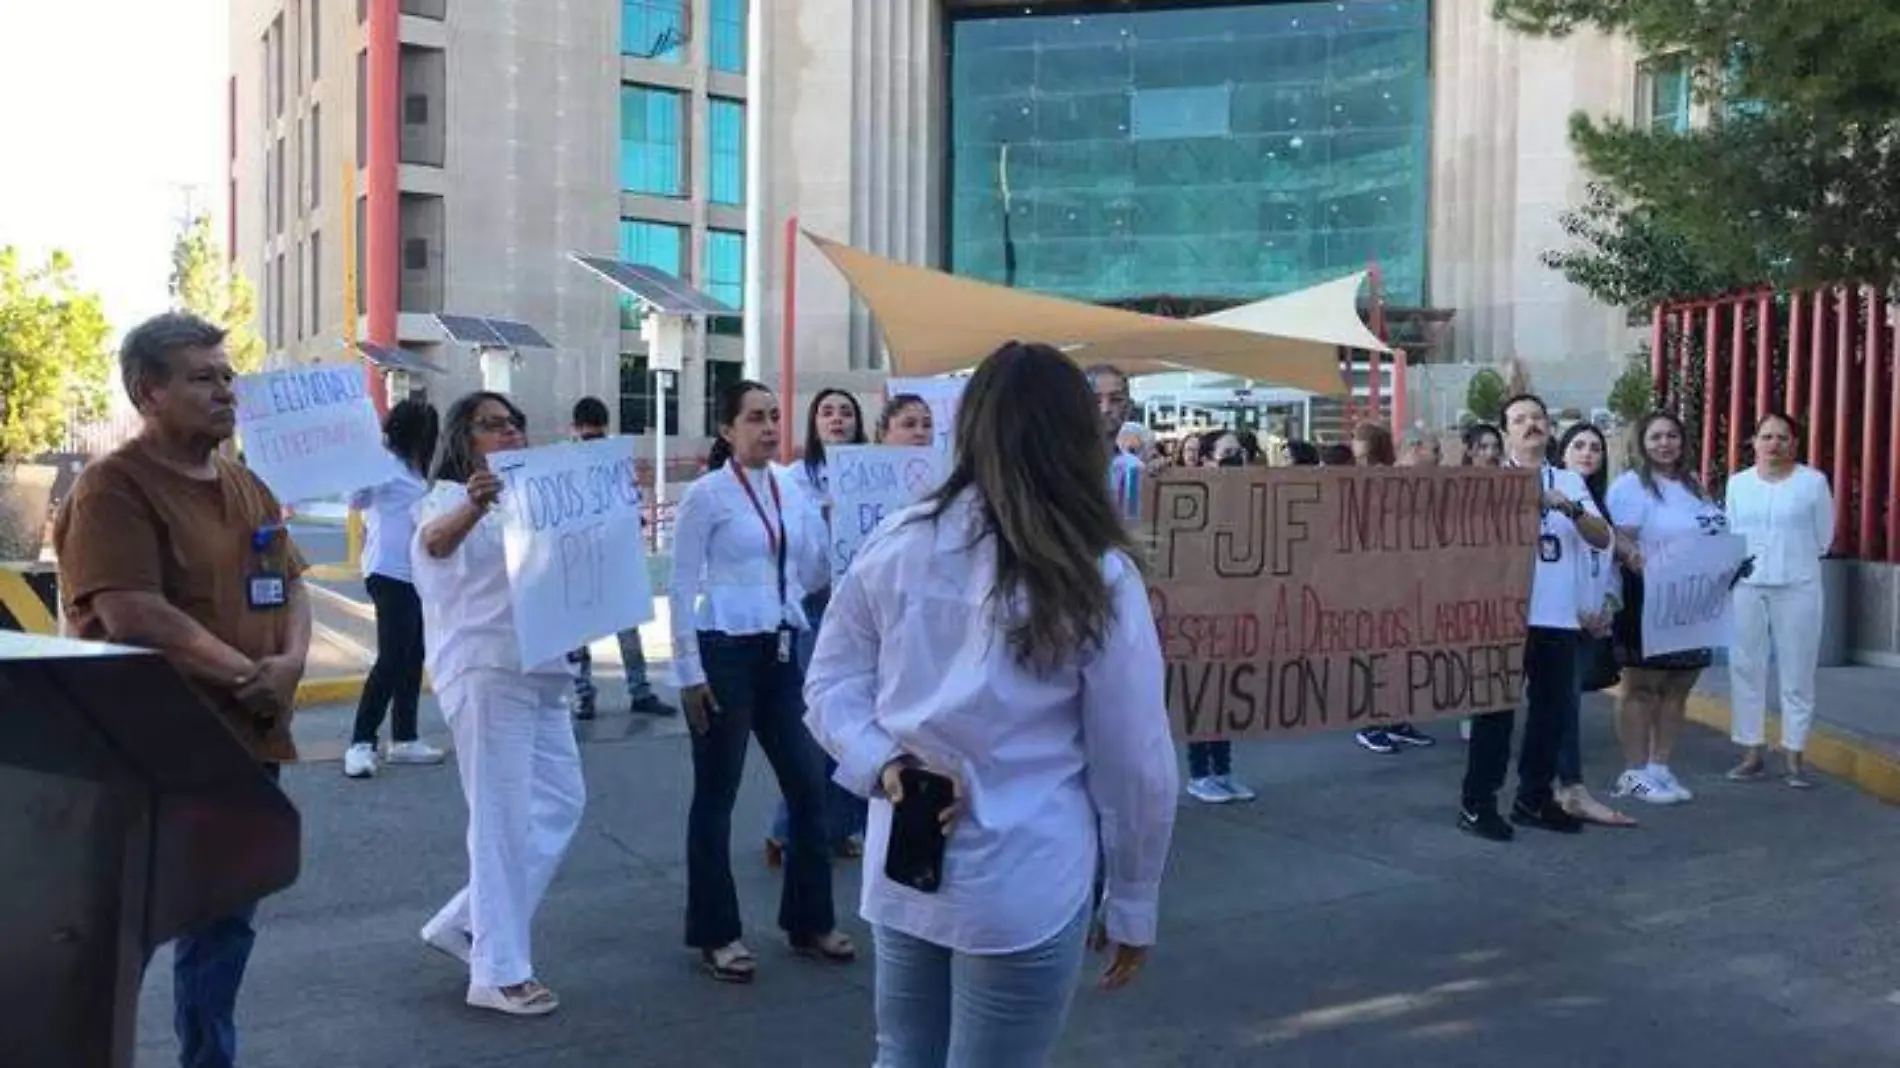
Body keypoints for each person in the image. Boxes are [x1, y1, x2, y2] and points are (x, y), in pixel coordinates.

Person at [806, 340, 1178, 1066]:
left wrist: (884, 762)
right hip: (1023, 873)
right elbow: (1134, 759)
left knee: (903, 1056)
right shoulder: (1095, 572)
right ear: (1076, 436)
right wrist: (1134, 897)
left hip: (910, 857)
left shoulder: (899, 539)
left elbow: (828, 687)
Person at [53, 311, 312, 1068]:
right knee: (120, 938)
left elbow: (290, 581)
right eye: (203, 377)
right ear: (148, 392)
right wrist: (247, 675)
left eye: (227, 375)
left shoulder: (245, 481)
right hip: (146, 760)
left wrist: (290, 666)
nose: (227, 390)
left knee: (222, 932)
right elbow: (134, 613)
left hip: (243, 750)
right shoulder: (114, 488)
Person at [671, 379, 855, 983]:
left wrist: (825, 527)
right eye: (754, 418)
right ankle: (717, 933)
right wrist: (688, 672)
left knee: (807, 788)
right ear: (727, 429)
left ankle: (809, 922)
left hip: (780, 651)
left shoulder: (792, 491)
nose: (769, 428)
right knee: (716, 797)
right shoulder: (707, 496)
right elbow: (679, 585)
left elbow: (813, 574)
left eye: (775, 416)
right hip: (723, 650)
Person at [412, 392, 585, 1016]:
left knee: (562, 803)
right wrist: (472, 503)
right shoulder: (445, 500)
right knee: (502, 816)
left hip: (541, 669)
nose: (509, 434)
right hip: (486, 670)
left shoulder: (533, 502)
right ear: (464, 439)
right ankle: (497, 971)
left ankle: (465, 923)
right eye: (493, 426)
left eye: (515, 424)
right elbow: (432, 546)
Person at [1458, 393, 1612, 842]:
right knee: (1495, 714)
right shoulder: (1487, 482)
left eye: (1538, 418)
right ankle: (1478, 802)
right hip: (1502, 615)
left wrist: (1571, 507)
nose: (1531, 426)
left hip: (1556, 615)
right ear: (1505, 431)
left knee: (1551, 713)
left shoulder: (1570, 479)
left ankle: (1533, 798)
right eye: (1520, 419)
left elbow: (1601, 537)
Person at [765, 388, 871, 868]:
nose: (837, 419)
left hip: (867, 607)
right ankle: (788, 828)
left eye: (846, 412)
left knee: (862, 721)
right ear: (814, 422)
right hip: (814, 606)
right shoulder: (792, 479)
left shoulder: (874, 471)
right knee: (818, 723)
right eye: (827, 412)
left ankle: (839, 825)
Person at [1606, 411, 1729, 806]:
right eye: (1656, 436)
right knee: (1641, 688)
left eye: (1672, 435)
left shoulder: (1696, 486)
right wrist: (1643, 561)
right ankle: (1634, 772)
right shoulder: (1630, 486)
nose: (1664, 443)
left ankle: (1660, 767)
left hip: (1694, 600)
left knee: (1679, 686)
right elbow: (1620, 542)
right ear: (1642, 442)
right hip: (1648, 597)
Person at [1725, 412, 1835, 788]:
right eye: (1766, 437)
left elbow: (1824, 538)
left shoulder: (1813, 483)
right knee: (1746, 667)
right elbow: (1732, 532)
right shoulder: (1738, 484)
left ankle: (1794, 754)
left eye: (1782, 437)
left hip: (1798, 584)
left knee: (1797, 671)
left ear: (1795, 444)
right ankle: (1751, 751)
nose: (1774, 444)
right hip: (1748, 586)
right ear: (1754, 443)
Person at [343, 398, 447, 779]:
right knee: (391, 658)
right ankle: (360, 742)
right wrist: (367, 458)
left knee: (412, 655)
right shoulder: (384, 466)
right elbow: (355, 499)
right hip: (389, 573)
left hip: (415, 573)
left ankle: (405, 738)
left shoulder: (413, 470)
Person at [565, 396, 677, 720]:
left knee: (626, 628)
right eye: (588, 437)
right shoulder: (564, 465)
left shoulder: (616, 463)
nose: (593, 443)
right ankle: (586, 694)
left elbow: (629, 502)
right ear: (575, 431)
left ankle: (635, 691)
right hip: (583, 558)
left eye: (597, 437)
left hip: (612, 557)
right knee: (580, 632)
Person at [1553, 422, 1638, 827]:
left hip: (1592, 621)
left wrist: (1605, 606)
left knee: (1565, 703)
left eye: (1596, 448)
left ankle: (1568, 786)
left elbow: (1610, 565)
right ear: (1563, 454)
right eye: (1579, 445)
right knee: (1552, 703)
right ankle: (1561, 786)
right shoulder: (1553, 494)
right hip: (1555, 618)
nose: (1588, 453)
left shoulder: (1603, 506)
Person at [1182, 430, 1257, 805]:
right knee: (1201, 690)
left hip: (1232, 607)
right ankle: (1199, 773)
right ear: (1208, 459)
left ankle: (1223, 771)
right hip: (1197, 609)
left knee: (1225, 691)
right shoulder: (1190, 498)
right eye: (1227, 454)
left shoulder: (1246, 498)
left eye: (1239, 453)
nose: (1235, 459)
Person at [1353, 423, 1435, 755]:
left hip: (1411, 582)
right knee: (1380, 655)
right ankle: (1371, 723)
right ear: (1415, 449)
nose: (1439, 457)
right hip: (1378, 584)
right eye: (1434, 450)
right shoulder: (1380, 482)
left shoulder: (1427, 485)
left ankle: (1397, 719)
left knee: (1405, 654)